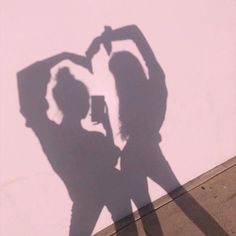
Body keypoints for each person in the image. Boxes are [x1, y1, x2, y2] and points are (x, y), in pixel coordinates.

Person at [88, 25, 228, 235]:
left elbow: (134, 33)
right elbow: (135, 33)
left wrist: (101, 42)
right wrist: (108, 37)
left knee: (149, 215)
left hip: (132, 157)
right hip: (149, 153)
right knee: (185, 202)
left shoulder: (130, 98)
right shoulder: (155, 82)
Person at [17, 53, 129, 236]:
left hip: (86, 198)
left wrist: (65, 57)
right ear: (84, 104)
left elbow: (26, 82)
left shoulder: (52, 135)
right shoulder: (81, 137)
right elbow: (111, 159)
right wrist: (106, 125)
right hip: (104, 190)